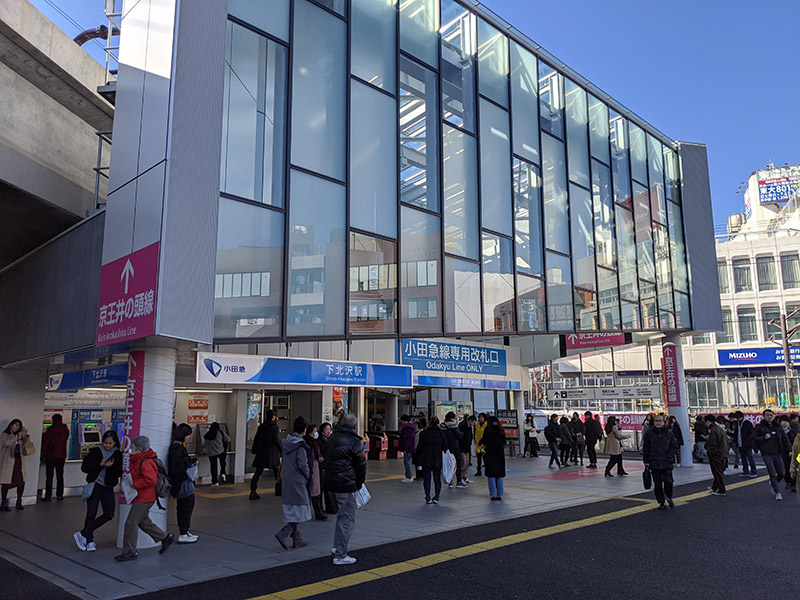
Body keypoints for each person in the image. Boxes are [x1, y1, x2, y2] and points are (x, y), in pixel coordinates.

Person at [115, 436, 174, 561]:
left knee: (131, 523)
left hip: (144, 497)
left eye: (133, 447)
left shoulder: (145, 462)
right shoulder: (141, 460)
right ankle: (164, 537)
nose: (131, 449)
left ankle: (130, 551)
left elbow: (151, 480)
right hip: (143, 497)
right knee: (143, 522)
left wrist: (134, 484)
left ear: (139, 449)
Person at [324, 413, 367, 566]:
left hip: (332, 483)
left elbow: (325, 457)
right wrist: (359, 483)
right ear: (355, 426)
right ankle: (341, 554)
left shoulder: (332, 438)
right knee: (347, 518)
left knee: (341, 516)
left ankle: (337, 548)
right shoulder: (355, 442)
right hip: (347, 484)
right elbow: (361, 464)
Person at [73, 430, 122, 551]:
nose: (108, 445)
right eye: (106, 443)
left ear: (115, 443)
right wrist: (99, 464)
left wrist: (111, 467)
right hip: (95, 486)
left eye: (111, 443)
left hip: (108, 487)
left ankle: (83, 534)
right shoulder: (96, 451)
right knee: (91, 513)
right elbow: (85, 467)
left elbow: (119, 472)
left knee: (109, 513)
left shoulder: (117, 454)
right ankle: (89, 541)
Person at [275, 417, 313, 550]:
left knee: (294, 508)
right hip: (298, 480)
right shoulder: (300, 445)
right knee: (301, 508)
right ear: (304, 430)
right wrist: (308, 476)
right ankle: (285, 532)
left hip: (288, 479)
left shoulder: (286, 443)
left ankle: (297, 539)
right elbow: (303, 464)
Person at [168, 423, 199, 544]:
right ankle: (183, 532)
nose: (189, 437)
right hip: (182, 483)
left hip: (181, 482)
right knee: (186, 507)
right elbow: (178, 466)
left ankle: (185, 531)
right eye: (188, 435)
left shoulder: (177, 446)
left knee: (185, 507)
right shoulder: (177, 448)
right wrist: (190, 464)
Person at [642, 414, 679, 509]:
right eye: (656, 421)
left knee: (669, 481)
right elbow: (646, 448)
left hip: (666, 461)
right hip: (654, 461)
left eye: (660, 421)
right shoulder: (649, 433)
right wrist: (646, 461)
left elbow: (674, 446)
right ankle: (661, 502)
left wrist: (669, 456)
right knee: (657, 484)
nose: (658, 423)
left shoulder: (669, 434)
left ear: (664, 422)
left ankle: (669, 496)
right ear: (653, 422)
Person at [754, 409, 791, 501]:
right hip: (766, 453)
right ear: (764, 416)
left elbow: (785, 439)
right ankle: (777, 491)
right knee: (772, 472)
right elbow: (754, 438)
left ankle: (774, 483)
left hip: (778, 453)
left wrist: (790, 449)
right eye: (767, 415)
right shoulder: (760, 427)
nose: (769, 417)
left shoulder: (777, 426)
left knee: (782, 472)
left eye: (771, 415)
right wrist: (764, 437)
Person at [250, 410, 282, 500]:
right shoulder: (274, 427)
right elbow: (276, 440)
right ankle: (279, 489)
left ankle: (253, 491)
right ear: (273, 417)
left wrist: (255, 449)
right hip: (271, 453)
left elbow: (256, 439)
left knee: (258, 472)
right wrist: (282, 449)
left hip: (261, 453)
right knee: (277, 471)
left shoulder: (261, 427)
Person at [1, 419, 32, 511]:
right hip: (9, 463)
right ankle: (4, 502)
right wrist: (18, 436)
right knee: (6, 483)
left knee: (21, 482)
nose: (17, 427)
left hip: (19, 463)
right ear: (10, 425)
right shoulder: (5, 435)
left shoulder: (21, 437)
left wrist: (26, 437)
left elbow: (29, 450)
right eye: (16, 425)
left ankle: (19, 501)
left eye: (19, 426)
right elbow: (7, 443)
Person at [417, 416, 447, 504]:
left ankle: (428, 497)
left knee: (427, 478)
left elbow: (420, 446)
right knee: (437, 478)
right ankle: (437, 497)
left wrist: (417, 458)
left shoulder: (424, 433)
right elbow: (445, 447)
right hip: (437, 459)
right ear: (438, 423)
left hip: (426, 459)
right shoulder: (441, 433)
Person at [41, 413, 69, 502]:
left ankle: (48, 496)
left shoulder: (51, 430)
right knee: (60, 476)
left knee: (49, 476)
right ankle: (59, 495)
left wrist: (43, 455)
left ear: (53, 420)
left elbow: (46, 443)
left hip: (51, 456)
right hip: (61, 456)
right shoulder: (65, 429)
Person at [304, 423, 326, 521]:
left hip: (315, 467)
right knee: (313, 490)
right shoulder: (308, 443)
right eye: (314, 431)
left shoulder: (315, 442)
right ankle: (317, 512)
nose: (316, 433)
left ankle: (318, 511)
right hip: (312, 467)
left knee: (315, 490)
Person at [482, 416, 506, 501]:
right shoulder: (501, 430)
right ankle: (500, 494)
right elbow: (504, 442)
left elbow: (483, 440)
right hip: (499, 454)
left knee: (491, 475)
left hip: (490, 454)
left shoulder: (488, 430)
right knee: (499, 475)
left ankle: (493, 495)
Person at [705, 415, 728, 496]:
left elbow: (713, 444)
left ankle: (721, 490)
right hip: (723, 453)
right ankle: (715, 487)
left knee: (717, 472)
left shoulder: (714, 430)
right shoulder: (719, 429)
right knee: (719, 471)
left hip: (716, 454)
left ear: (708, 421)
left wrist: (710, 452)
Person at [203, 422, 230, 487]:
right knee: (223, 463)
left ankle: (215, 481)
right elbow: (228, 439)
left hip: (211, 453)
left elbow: (205, 444)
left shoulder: (207, 435)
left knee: (213, 467)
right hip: (220, 451)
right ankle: (223, 473)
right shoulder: (220, 433)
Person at [319, 422, 338, 514]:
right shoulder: (319, 441)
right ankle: (320, 508)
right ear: (322, 431)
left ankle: (331, 507)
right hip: (322, 467)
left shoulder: (332, 440)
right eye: (326, 429)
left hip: (330, 466)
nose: (328, 432)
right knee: (321, 488)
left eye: (329, 429)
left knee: (330, 488)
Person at [441, 412, 463, 488]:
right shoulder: (454, 425)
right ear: (452, 418)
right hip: (454, 447)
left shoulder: (442, 425)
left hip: (445, 448)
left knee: (449, 464)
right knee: (457, 464)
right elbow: (458, 435)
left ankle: (450, 481)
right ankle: (459, 481)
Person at [734, 411, 757, 477]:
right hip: (740, 443)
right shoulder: (737, 423)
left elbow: (751, 433)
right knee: (743, 458)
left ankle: (753, 471)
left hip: (747, 443)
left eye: (738, 418)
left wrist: (750, 442)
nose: (738, 419)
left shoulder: (747, 423)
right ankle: (745, 471)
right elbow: (736, 433)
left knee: (750, 458)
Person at [398, 415, 417, 483]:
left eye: (401, 420)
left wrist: (405, 448)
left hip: (408, 448)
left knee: (407, 462)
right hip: (411, 447)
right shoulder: (411, 428)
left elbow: (407, 439)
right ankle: (408, 476)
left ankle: (409, 476)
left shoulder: (406, 428)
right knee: (407, 461)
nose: (401, 422)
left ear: (404, 421)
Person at [458, 414, 476, 485]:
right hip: (462, 448)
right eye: (473, 422)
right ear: (469, 421)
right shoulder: (462, 426)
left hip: (467, 448)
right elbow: (461, 438)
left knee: (467, 463)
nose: (473, 424)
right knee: (463, 463)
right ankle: (461, 478)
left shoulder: (469, 427)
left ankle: (465, 477)